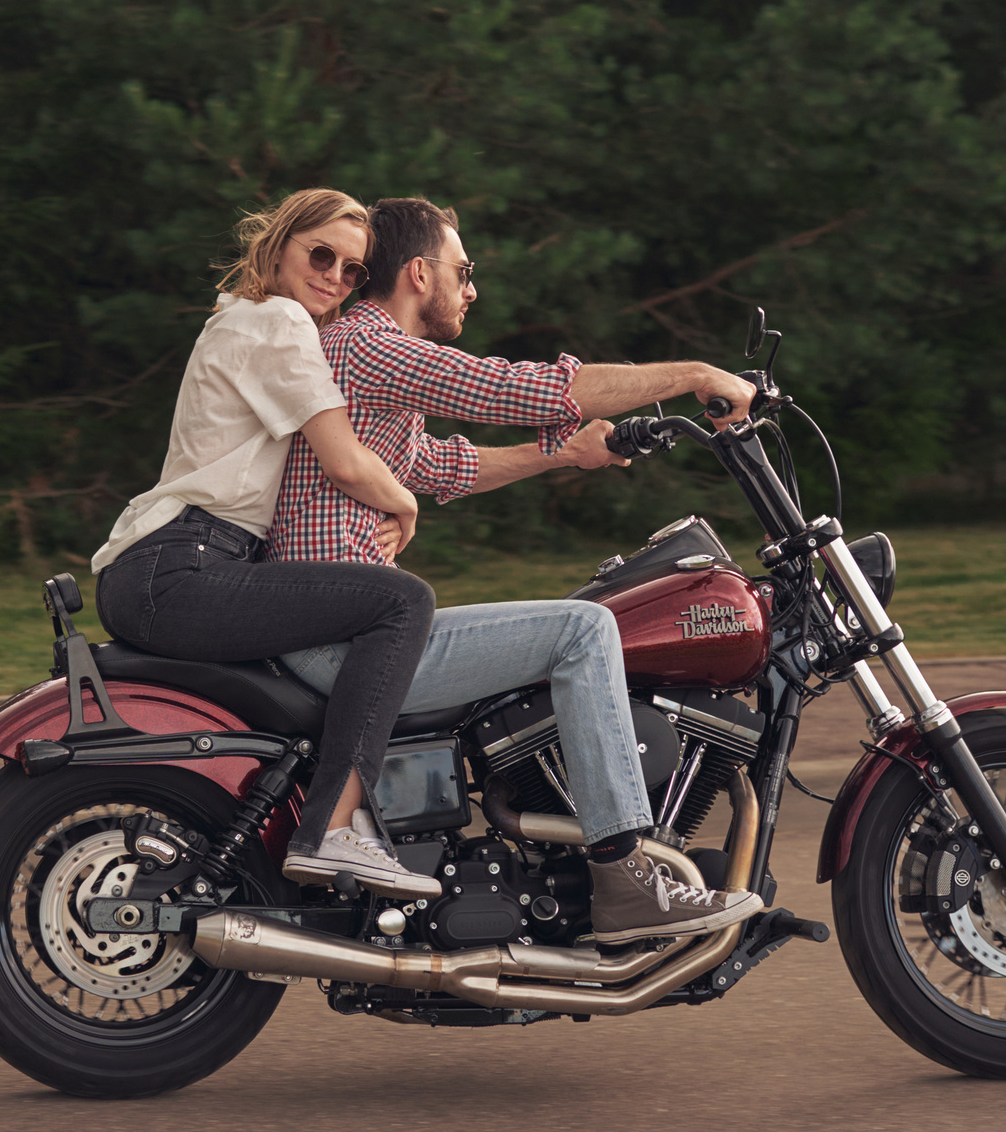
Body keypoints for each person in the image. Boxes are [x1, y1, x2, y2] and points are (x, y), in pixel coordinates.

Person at [269, 196, 765, 942]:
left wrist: (564, 452)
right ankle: (626, 877)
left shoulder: (362, 361)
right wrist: (693, 374)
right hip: (342, 637)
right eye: (461, 271)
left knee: (564, 628)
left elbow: (444, 463)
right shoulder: (370, 344)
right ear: (417, 273)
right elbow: (513, 388)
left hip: (344, 626)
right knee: (583, 629)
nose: (471, 289)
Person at [91, 189, 441, 901]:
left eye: (352, 270)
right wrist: (403, 500)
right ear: (281, 244)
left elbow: (401, 454)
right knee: (402, 602)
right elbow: (342, 458)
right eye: (321, 255)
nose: (335, 278)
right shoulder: (278, 319)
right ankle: (335, 831)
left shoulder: (248, 319)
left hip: (171, 565)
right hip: (181, 565)